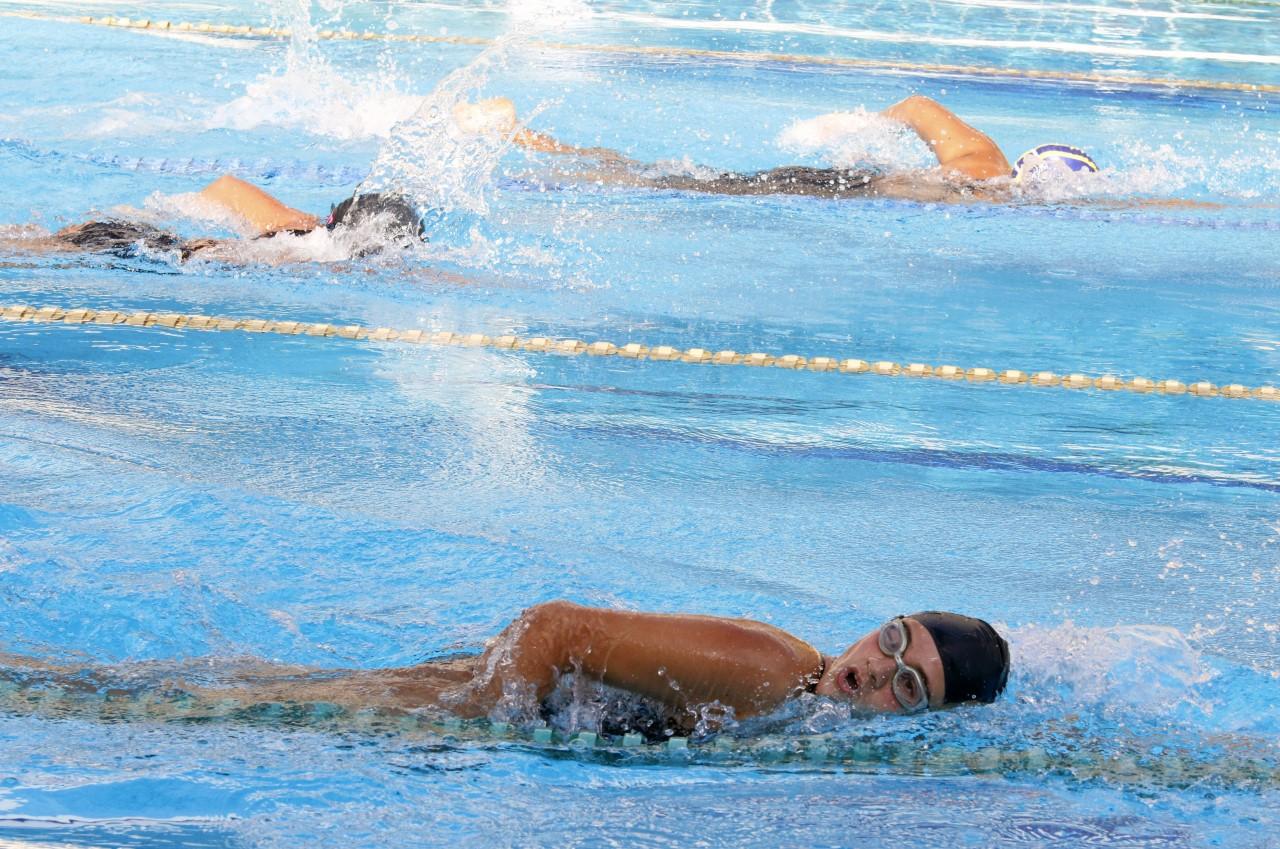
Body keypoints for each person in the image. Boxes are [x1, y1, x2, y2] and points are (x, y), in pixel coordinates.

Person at [1, 601, 1010, 739]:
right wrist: (489, 718)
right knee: (148, 709)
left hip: (497, 707)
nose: (871, 674)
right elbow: (550, 623)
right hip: (464, 703)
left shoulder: (797, 706)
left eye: (904, 685)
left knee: (147, 699)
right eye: (888, 644)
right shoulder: (765, 671)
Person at [475, 93, 1099, 204]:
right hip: (828, 187)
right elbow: (913, 107)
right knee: (667, 181)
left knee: (675, 176)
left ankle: (529, 137)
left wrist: (856, 133)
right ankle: (525, 138)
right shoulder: (984, 169)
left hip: (841, 184)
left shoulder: (982, 158)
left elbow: (915, 108)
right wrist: (851, 129)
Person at [3, 178, 427, 263]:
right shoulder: (313, 254)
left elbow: (225, 187)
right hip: (136, 248)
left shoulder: (299, 225)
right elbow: (218, 255)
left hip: (138, 232)